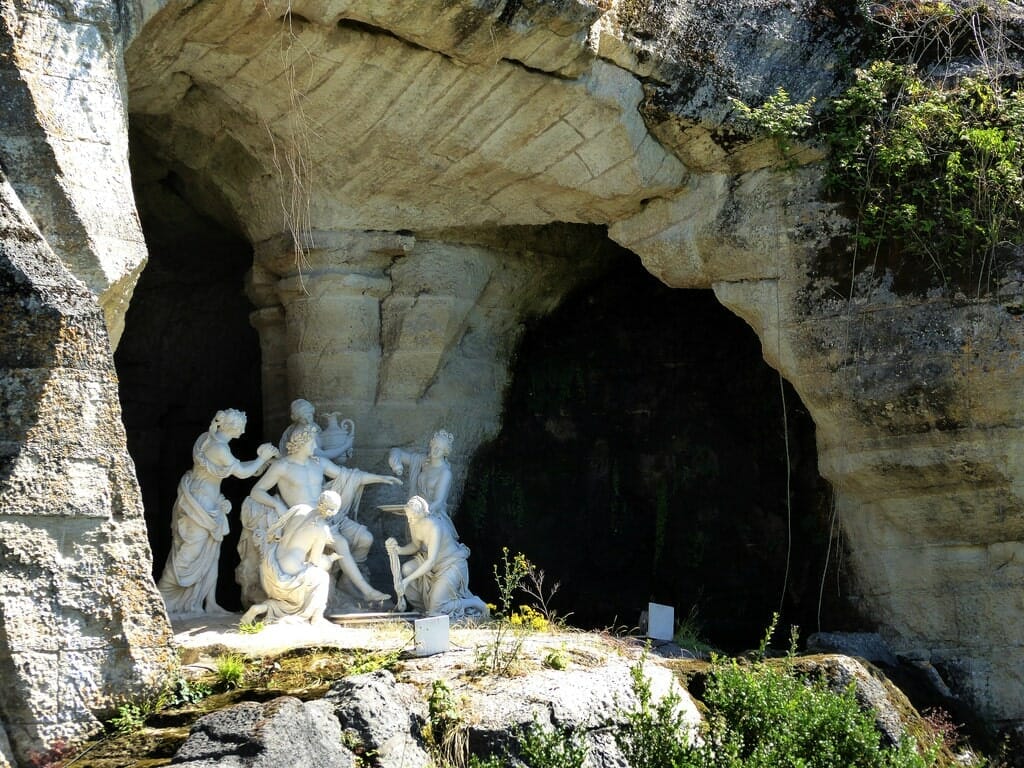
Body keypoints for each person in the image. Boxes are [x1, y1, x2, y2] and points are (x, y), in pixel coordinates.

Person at [236, 424, 400, 605]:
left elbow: (349, 476)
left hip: (329, 515)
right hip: (304, 519)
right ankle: (366, 591)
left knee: (366, 539)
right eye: (312, 442)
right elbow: (257, 491)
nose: (316, 446)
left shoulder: (319, 463)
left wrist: (379, 478)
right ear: (301, 442)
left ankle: (349, 582)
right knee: (341, 543)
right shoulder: (282, 466)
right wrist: (277, 504)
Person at [158, 409, 277, 617]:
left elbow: (234, 467)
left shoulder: (208, 438)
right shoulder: (219, 448)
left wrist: (261, 463)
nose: (243, 431)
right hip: (200, 505)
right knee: (188, 554)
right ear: (233, 427)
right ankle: (160, 596)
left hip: (207, 501)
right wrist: (262, 458)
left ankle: (210, 602)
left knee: (211, 554)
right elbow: (241, 473)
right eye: (241, 427)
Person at [239, 491, 343, 625]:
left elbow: (276, 529)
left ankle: (260, 608)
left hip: (268, 566)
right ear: (332, 511)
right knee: (322, 577)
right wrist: (330, 559)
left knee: (288, 601)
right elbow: (314, 561)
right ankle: (317, 618)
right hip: (285, 577)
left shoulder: (300, 508)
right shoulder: (321, 529)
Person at [385, 496, 488, 618]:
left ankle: (473, 602)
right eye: (408, 517)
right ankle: (421, 608)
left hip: (450, 565)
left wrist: (406, 581)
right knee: (407, 569)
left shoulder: (434, 527)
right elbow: (415, 545)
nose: (409, 521)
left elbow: (431, 561)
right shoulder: (414, 523)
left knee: (437, 609)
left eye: (412, 517)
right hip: (432, 566)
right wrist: (398, 550)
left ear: (421, 514)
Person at [388, 429, 455, 519]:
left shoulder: (445, 473)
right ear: (431, 444)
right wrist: (395, 459)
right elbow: (398, 453)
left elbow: (439, 502)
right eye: (435, 446)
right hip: (416, 512)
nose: (435, 451)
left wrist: (423, 512)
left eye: (440, 449)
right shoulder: (423, 461)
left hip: (433, 515)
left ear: (445, 452)